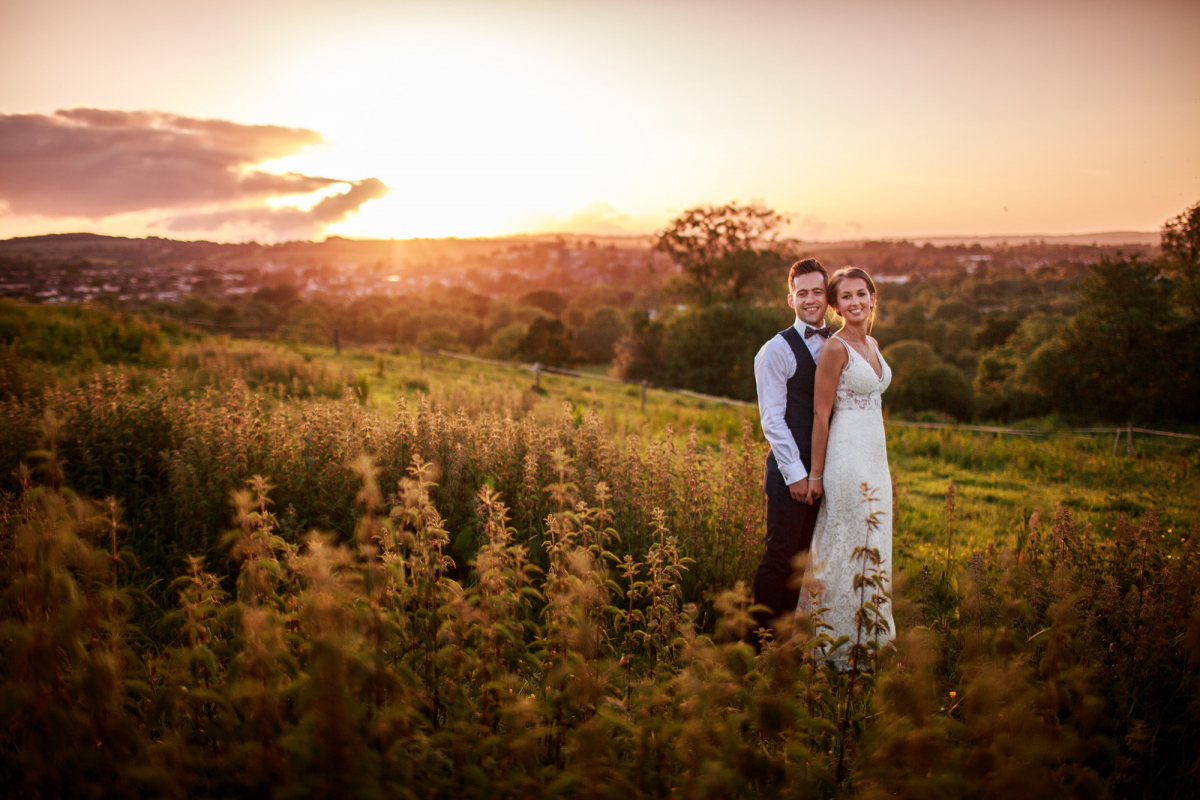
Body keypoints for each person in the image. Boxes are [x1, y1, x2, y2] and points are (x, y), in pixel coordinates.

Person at [801, 266, 895, 669]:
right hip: (845, 458)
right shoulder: (835, 348)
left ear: (873, 297)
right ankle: (834, 647)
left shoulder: (872, 343)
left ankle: (872, 637)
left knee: (875, 544)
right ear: (836, 306)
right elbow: (821, 416)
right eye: (846, 297)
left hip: (876, 456)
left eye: (861, 293)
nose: (855, 302)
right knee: (846, 545)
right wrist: (817, 475)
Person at [751, 258, 832, 641]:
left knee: (803, 561)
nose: (811, 299)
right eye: (803, 293)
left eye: (818, 291)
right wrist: (797, 473)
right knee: (780, 557)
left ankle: (783, 641)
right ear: (791, 299)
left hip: (824, 471)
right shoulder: (775, 350)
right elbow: (772, 420)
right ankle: (756, 643)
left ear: (827, 296)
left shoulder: (837, 343)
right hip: (791, 474)